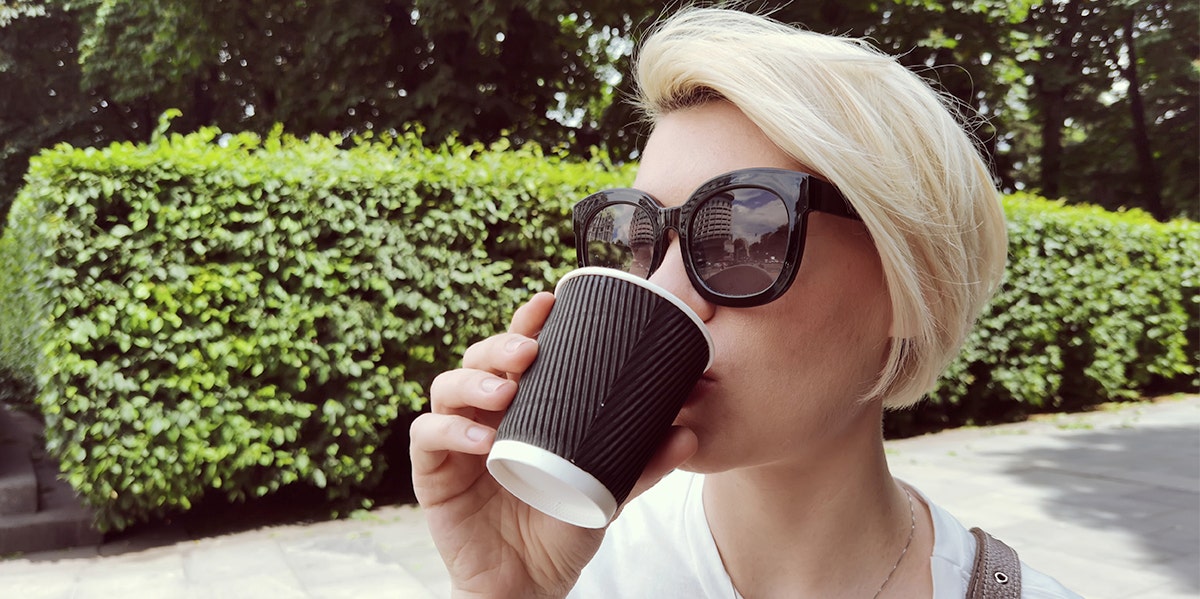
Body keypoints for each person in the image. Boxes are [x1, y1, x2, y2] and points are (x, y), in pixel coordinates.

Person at [410, 7, 1081, 598]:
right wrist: (499, 591)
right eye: (637, 235)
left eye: (739, 230)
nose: (662, 291)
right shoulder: (584, 564)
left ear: (914, 288)